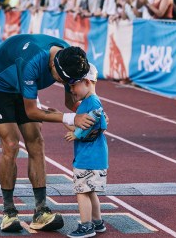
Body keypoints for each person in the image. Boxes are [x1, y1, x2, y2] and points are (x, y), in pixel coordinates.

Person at [0, 34, 94, 233]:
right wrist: (70, 119)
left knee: (36, 141)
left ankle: (41, 211)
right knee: (11, 144)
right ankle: (8, 212)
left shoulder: (69, 59)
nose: (63, 83)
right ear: (54, 66)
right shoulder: (31, 61)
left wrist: (94, 114)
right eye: (61, 79)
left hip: (22, 82)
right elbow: (31, 111)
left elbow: (70, 102)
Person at [64, 64, 108, 238]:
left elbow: (98, 125)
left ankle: (86, 226)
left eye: (74, 85)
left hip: (88, 157)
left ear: (87, 82)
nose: (71, 90)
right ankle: (97, 222)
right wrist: (63, 120)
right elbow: (83, 122)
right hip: (94, 156)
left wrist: (77, 135)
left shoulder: (92, 102)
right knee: (90, 192)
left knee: (82, 192)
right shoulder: (89, 102)